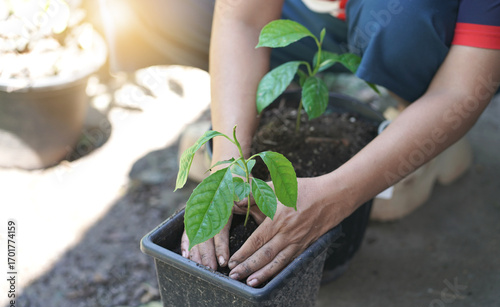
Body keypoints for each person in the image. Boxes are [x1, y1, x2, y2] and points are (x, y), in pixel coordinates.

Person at [177, 0, 500, 287]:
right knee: (166, 11)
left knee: (402, 20)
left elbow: (461, 90)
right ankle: (288, 89)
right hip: (317, 20)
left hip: (407, 26)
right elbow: (242, 20)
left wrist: (337, 194)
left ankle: (423, 130)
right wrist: (227, 165)